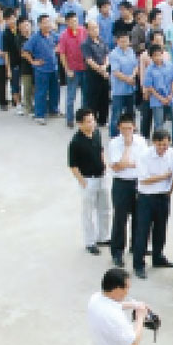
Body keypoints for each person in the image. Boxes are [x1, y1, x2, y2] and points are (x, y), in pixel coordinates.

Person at [132, 130, 173, 279]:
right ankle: (138, 264)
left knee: (161, 229)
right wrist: (165, 176)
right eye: (159, 144)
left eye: (165, 144)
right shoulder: (144, 156)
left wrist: (170, 190)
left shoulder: (172, 154)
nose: (162, 148)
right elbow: (144, 179)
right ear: (154, 143)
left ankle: (158, 257)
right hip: (146, 198)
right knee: (143, 232)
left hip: (163, 196)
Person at [88, 268, 150, 345]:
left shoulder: (95, 298)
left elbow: (115, 304)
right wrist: (140, 317)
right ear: (117, 289)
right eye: (126, 288)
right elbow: (134, 342)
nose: (127, 292)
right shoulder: (114, 317)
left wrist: (135, 305)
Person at [69, 108, 111, 255]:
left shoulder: (97, 133)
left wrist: (104, 165)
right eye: (88, 121)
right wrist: (82, 182)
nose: (92, 123)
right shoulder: (76, 142)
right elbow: (73, 166)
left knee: (105, 208)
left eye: (92, 120)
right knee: (88, 212)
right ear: (80, 124)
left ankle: (103, 236)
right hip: (88, 179)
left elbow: (101, 150)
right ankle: (90, 241)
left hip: (101, 177)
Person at [108, 114, 147, 267]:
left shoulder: (141, 141)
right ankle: (117, 252)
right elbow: (118, 166)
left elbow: (143, 163)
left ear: (134, 127)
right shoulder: (114, 143)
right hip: (121, 183)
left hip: (138, 182)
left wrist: (125, 164)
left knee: (139, 218)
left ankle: (136, 247)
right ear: (119, 128)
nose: (127, 132)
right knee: (120, 219)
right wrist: (128, 147)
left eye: (129, 128)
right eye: (123, 129)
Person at [23, 14, 61, 124]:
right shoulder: (35, 37)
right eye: (45, 22)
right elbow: (25, 52)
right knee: (41, 92)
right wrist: (33, 61)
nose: (47, 24)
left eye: (49, 22)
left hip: (53, 68)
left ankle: (53, 110)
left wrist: (57, 48)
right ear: (39, 24)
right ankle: (39, 114)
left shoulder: (53, 35)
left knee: (55, 91)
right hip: (41, 70)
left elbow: (61, 42)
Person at [143, 44, 173, 142]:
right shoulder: (149, 70)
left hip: (169, 97)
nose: (158, 57)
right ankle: (159, 141)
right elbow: (150, 87)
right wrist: (161, 98)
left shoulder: (170, 65)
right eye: (155, 55)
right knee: (159, 122)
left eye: (159, 55)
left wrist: (171, 94)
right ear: (151, 57)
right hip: (156, 99)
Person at [83, 20, 111, 126]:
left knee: (104, 97)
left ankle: (103, 120)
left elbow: (107, 56)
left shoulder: (102, 41)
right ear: (88, 30)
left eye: (96, 28)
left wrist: (105, 66)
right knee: (93, 99)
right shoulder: (86, 44)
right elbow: (89, 60)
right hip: (93, 75)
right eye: (92, 28)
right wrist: (101, 70)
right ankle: (92, 121)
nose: (95, 30)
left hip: (104, 72)